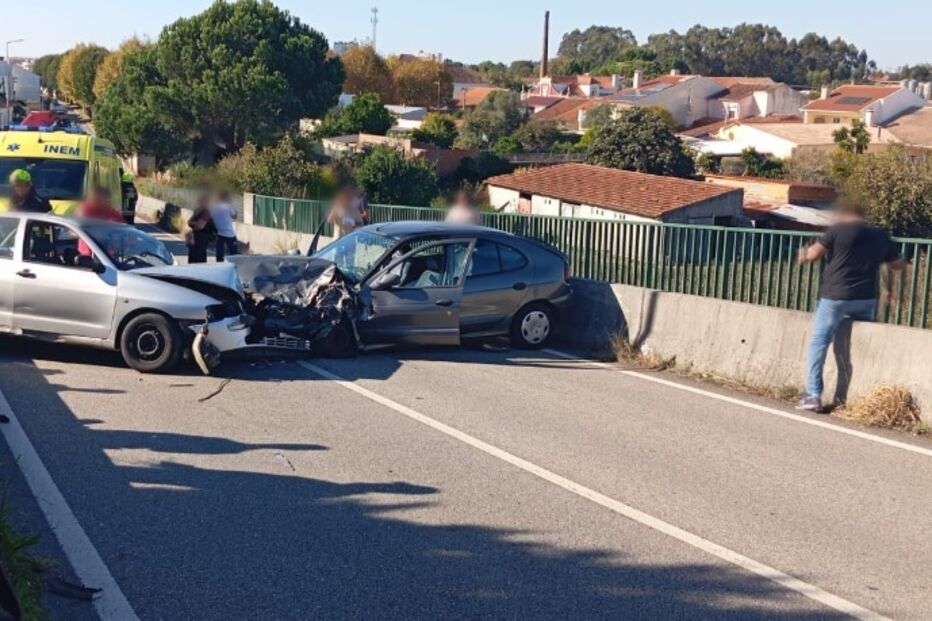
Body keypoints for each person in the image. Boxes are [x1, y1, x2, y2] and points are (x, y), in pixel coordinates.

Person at [795, 200, 905, 413]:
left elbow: (813, 255)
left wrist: (802, 255)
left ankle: (814, 395)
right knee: (862, 345)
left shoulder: (836, 231)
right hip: (866, 299)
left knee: (819, 342)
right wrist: (890, 290)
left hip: (835, 297)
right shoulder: (881, 235)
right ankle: (863, 399)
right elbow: (896, 265)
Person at [210, 190, 238, 261]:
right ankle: (235, 264)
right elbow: (235, 216)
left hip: (219, 232)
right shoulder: (228, 206)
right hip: (229, 233)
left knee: (220, 252)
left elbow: (212, 218)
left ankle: (219, 266)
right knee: (234, 252)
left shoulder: (214, 207)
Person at [186, 194, 215, 264]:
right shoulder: (197, 210)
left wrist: (193, 224)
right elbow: (189, 222)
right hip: (196, 237)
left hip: (202, 238)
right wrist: (196, 223)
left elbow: (200, 226)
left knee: (199, 259)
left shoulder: (206, 212)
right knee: (193, 258)